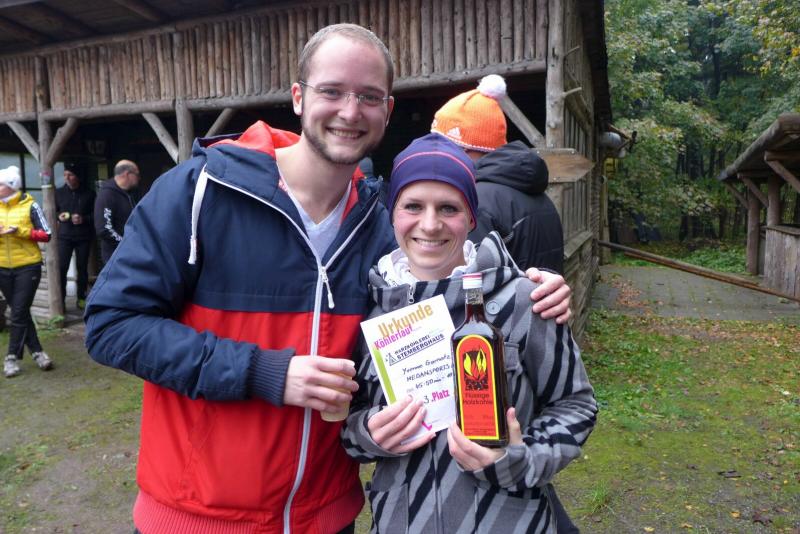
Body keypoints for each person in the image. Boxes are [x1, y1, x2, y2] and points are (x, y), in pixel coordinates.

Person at [84, 24, 571, 533]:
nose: (350, 111)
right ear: (298, 97)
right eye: (332, 91)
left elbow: (454, 285)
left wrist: (529, 288)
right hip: (198, 517)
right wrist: (264, 372)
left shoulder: (383, 228)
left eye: (369, 96)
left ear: (387, 109)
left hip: (328, 517)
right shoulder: (199, 191)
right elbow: (111, 324)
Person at [342, 134, 597, 533]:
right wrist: (368, 433)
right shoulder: (367, 309)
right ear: (393, 214)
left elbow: (576, 405)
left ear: (472, 218)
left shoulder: (525, 300)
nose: (430, 224)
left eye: (449, 208)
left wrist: (520, 460)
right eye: (413, 206)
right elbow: (346, 420)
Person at [432, 74, 565, 273]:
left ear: (464, 148)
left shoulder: (475, 201)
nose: (437, 155)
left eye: (442, 146)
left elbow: (468, 281)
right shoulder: (539, 195)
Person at [0, 166, 53, 378]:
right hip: (2, 267)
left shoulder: (30, 205)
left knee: (18, 311)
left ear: (11, 186)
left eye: (1, 184)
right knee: (20, 311)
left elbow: (47, 234)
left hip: (28, 266)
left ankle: (11, 357)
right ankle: (38, 352)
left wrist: (20, 231)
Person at [55, 161, 96, 309]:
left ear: (77, 177)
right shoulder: (59, 193)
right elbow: (53, 211)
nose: (67, 178)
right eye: (65, 175)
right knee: (62, 268)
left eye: (70, 175)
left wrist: (83, 219)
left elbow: (95, 215)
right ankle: (61, 300)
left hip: (83, 236)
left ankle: (81, 297)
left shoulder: (89, 193)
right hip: (64, 236)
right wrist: (59, 216)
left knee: (82, 268)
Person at [94, 159, 139, 264]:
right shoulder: (107, 195)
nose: (139, 178)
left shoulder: (128, 194)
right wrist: (124, 242)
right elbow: (104, 229)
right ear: (127, 174)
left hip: (130, 253)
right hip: (115, 257)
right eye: (137, 174)